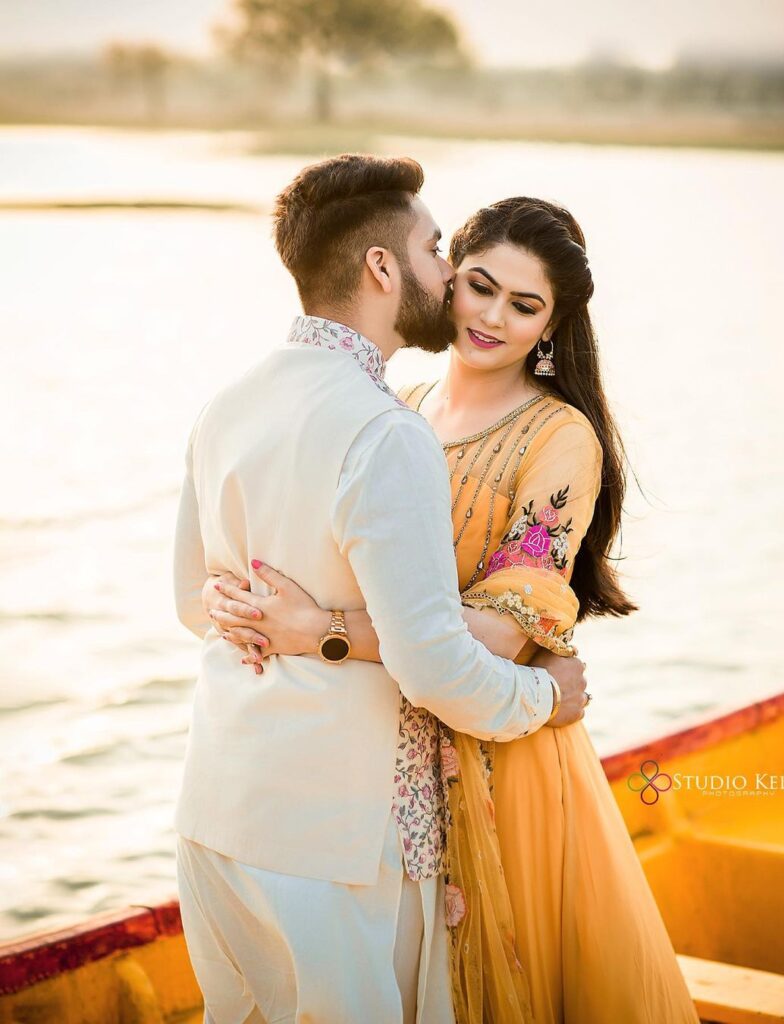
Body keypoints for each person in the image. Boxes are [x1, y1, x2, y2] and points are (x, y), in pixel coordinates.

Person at [207, 196, 699, 1023]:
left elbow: (499, 634)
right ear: (445, 278)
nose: (492, 318)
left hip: (499, 746)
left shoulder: (557, 437)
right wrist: (245, 604)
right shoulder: (395, 406)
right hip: (381, 745)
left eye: (524, 306)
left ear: (551, 327)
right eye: (479, 286)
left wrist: (312, 633)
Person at [173, 157, 588, 1024]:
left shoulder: (230, 403)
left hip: (216, 808)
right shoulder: (385, 429)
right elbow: (433, 665)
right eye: (438, 251)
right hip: (335, 831)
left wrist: (284, 623)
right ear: (380, 268)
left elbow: (192, 602)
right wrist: (543, 696)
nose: (447, 277)